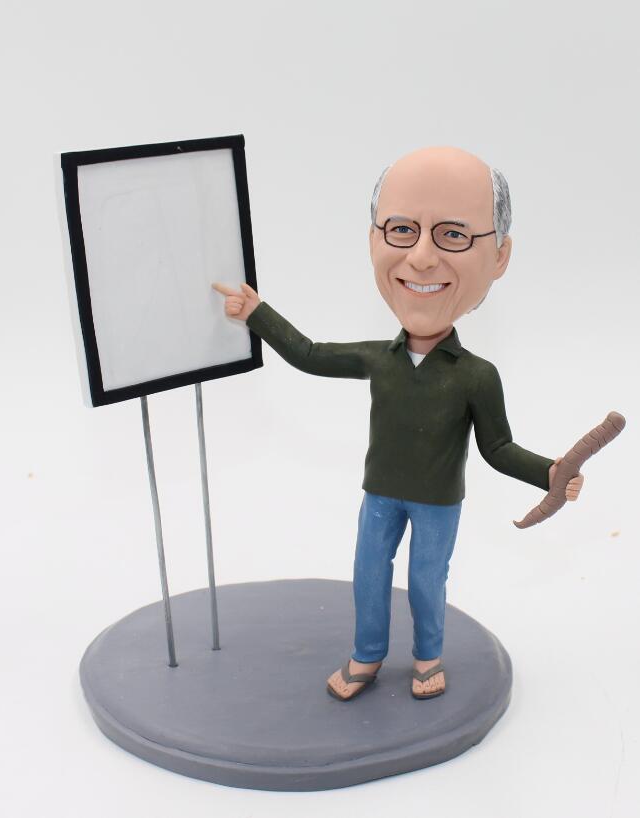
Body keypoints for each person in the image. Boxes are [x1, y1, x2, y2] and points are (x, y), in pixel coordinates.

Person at [212, 146, 584, 702]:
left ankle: (427, 657)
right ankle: (366, 655)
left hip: (437, 501)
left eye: (453, 235)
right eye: (403, 230)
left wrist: (548, 472)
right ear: (375, 241)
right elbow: (309, 355)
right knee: (369, 573)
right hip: (381, 493)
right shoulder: (379, 359)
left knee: (427, 580)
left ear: (499, 255)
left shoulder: (476, 375)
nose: (423, 258)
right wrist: (256, 312)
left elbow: (498, 447)